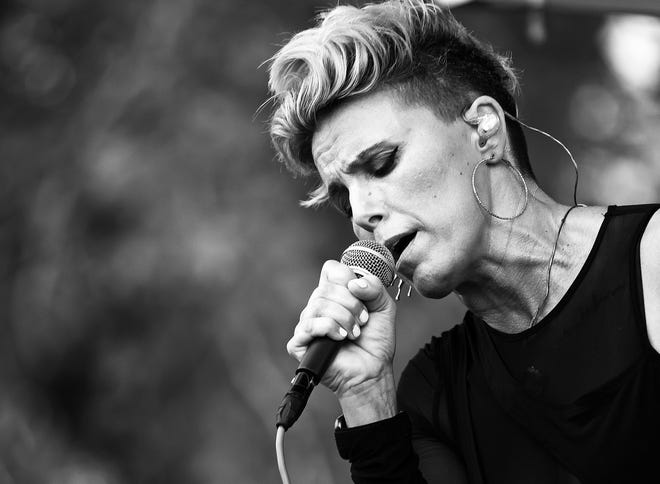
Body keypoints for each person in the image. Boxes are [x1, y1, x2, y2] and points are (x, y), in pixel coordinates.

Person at [266, 1, 660, 482]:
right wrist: (366, 396)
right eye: (344, 199)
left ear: (484, 129)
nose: (363, 213)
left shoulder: (652, 259)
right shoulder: (433, 394)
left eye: (383, 162)